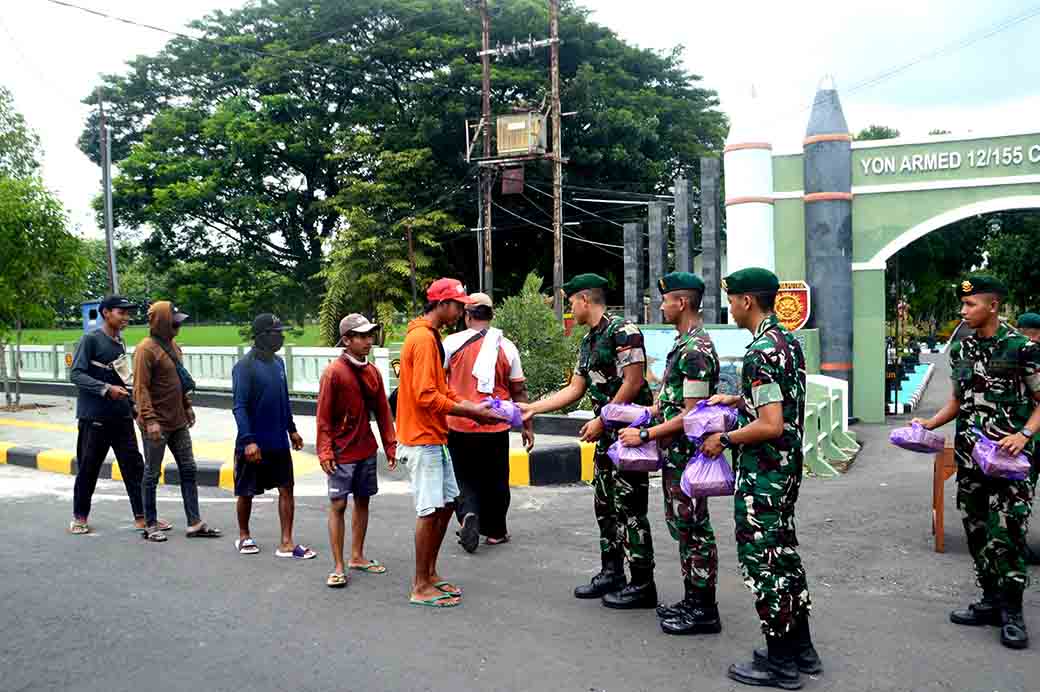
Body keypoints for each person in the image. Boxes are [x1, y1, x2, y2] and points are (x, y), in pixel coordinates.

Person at [700, 267, 820, 689]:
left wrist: (724, 438)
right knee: (784, 555)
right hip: (785, 472)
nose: (729, 307)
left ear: (747, 301)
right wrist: (737, 397)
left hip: (764, 475)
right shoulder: (786, 342)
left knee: (764, 563)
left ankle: (780, 664)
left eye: (732, 300)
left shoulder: (759, 352)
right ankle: (802, 649)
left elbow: (770, 424)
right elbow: (778, 401)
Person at [914, 276, 1040, 650]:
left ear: (993, 306)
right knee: (976, 531)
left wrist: (1025, 435)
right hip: (972, 457)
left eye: (970, 305)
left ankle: (1013, 612)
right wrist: (929, 423)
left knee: (1008, 534)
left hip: (1011, 461)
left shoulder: (1021, 348)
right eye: (963, 305)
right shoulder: (963, 350)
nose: (963, 311)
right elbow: (957, 400)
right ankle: (989, 601)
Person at [519, 274, 657, 609]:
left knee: (631, 510)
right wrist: (532, 408)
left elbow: (634, 382)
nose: (569, 308)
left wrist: (603, 418)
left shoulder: (624, 332)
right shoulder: (589, 340)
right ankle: (612, 572)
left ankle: (642, 583)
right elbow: (575, 389)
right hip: (605, 437)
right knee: (605, 506)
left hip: (627, 436)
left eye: (570, 302)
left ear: (584, 299)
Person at [619, 272, 722, 635]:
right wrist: (646, 415)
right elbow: (673, 403)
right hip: (675, 456)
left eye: (664, 300)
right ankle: (693, 599)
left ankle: (704, 608)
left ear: (681, 303)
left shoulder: (696, 350)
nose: (660, 306)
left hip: (689, 458)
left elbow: (692, 416)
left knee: (693, 528)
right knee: (682, 526)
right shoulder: (683, 344)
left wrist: (646, 433)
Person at [396, 278, 499, 608]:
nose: (462, 310)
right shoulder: (424, 339)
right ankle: (420, 585)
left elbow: (442, 387)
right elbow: (427, 395)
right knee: (430, 512)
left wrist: (469, 408)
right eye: (458, 304)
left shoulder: (431, 337)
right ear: (442, 304)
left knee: (444, 507)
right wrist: (467, 409)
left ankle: (430, 574)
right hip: (422, 436)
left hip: (434, 434)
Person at [69, 296, 170, 535]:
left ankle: (143, 517)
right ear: (105, 313)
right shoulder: (90, 340)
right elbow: (76, 374)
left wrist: (135, 408)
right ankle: (79, 517)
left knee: (134, 467)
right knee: (88, 468)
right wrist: (105, 390)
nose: (126, 317)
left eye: (128, 313)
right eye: (121, 312)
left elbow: (122, 380)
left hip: (121, 417)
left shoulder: (119, 343)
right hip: (94, 418)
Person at [443, 292, 534, 553]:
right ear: (492, 316)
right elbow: (519, 391)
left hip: (460, 422)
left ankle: (468, 514)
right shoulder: (506, 346)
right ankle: (496, 531)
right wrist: (527, 426)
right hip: (496, 425)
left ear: (467, 315)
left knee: (463, 476)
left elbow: (437, 382)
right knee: (496, 478)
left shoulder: (451, 343)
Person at [317, 313, 398, 589]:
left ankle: (357, 556)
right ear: (347, 339)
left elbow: (383, 412)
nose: (368, 341)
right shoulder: (333, 373)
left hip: (365, 448)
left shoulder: (373, 372)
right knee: (338, 504)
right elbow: (323, 417)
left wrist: (390, 445)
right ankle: (338, 565)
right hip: (341, 452)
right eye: (361, 336)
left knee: (363, 500)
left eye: (369, 335)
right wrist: (325, 451)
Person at [133, 301, 221, 542]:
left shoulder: (173, 347)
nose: (178, 326)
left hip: (178, 421)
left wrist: (187, 407)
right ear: (161, 323)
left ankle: (194, 522)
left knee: (189, 468)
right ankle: (150, 525)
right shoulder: (146, 350)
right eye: (174, 323)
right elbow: (140, 388)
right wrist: (149, 420)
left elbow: (178, 382)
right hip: (156, 424)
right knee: (151, 473)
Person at [231, 314, 310, 558]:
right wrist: (248, 440)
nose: (282, 337)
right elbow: (240, 406)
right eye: (277, 333)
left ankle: (287, 542)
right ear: (263, 336)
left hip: (278, 441)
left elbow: (283, 400)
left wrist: (292, 429)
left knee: (287, 488)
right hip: (254, 443)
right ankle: (244, 536)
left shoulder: (279, 364)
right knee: (246, 491)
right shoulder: (244, 367)